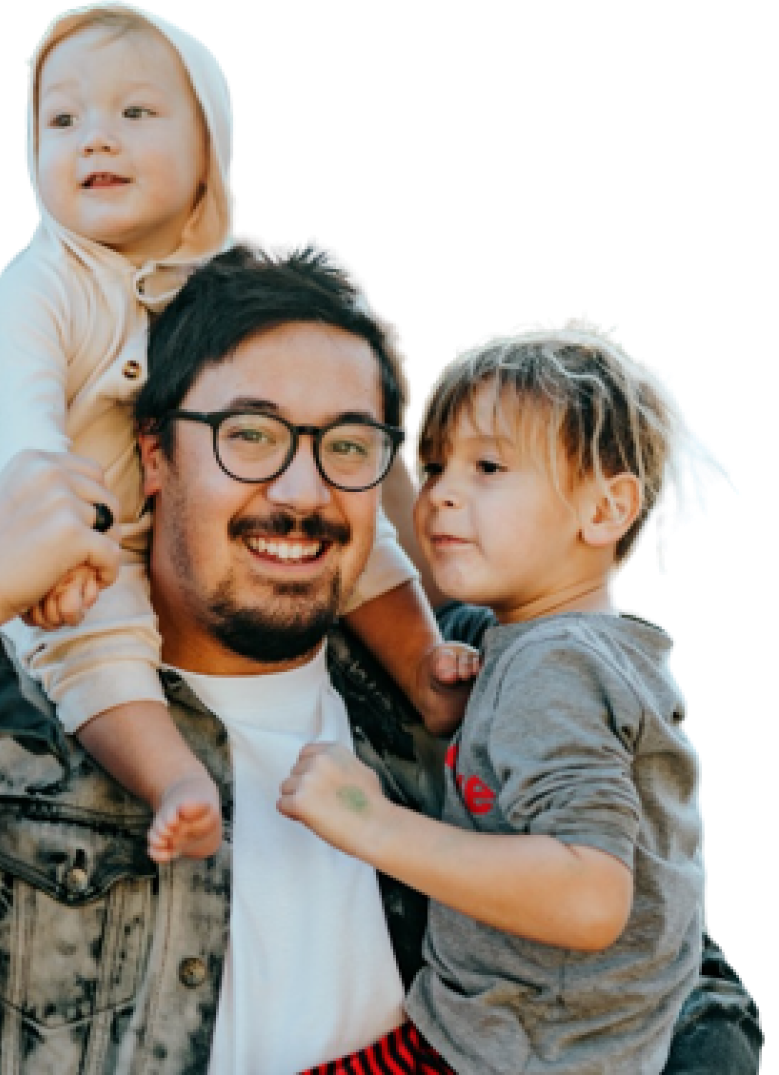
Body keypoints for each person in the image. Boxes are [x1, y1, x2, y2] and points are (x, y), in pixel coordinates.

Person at [0, 253, 761, 1071]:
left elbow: (670, 958)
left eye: (346, 444)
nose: (301, 490)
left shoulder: (455, 683)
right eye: (250, 434)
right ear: (154, 454)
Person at [0, 0, 476, 863]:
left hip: (182, 523)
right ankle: (174, 779)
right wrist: (54, 550)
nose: (96, 138)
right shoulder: (41, 286)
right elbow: (26, 436)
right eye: (63, 119)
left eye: (135, 113)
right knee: (96, 649)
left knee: (351, 525)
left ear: (210, 151)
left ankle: (425, 671)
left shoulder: (229, 280)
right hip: (73, 545)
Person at [280, 316, 741, 1073]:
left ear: (605, 509)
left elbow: (591, 897)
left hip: (501, 1052)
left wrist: (366, 820)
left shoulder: (553, 666)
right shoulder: (584, 651)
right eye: (434, 467)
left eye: (489, 468)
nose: (440, 498)